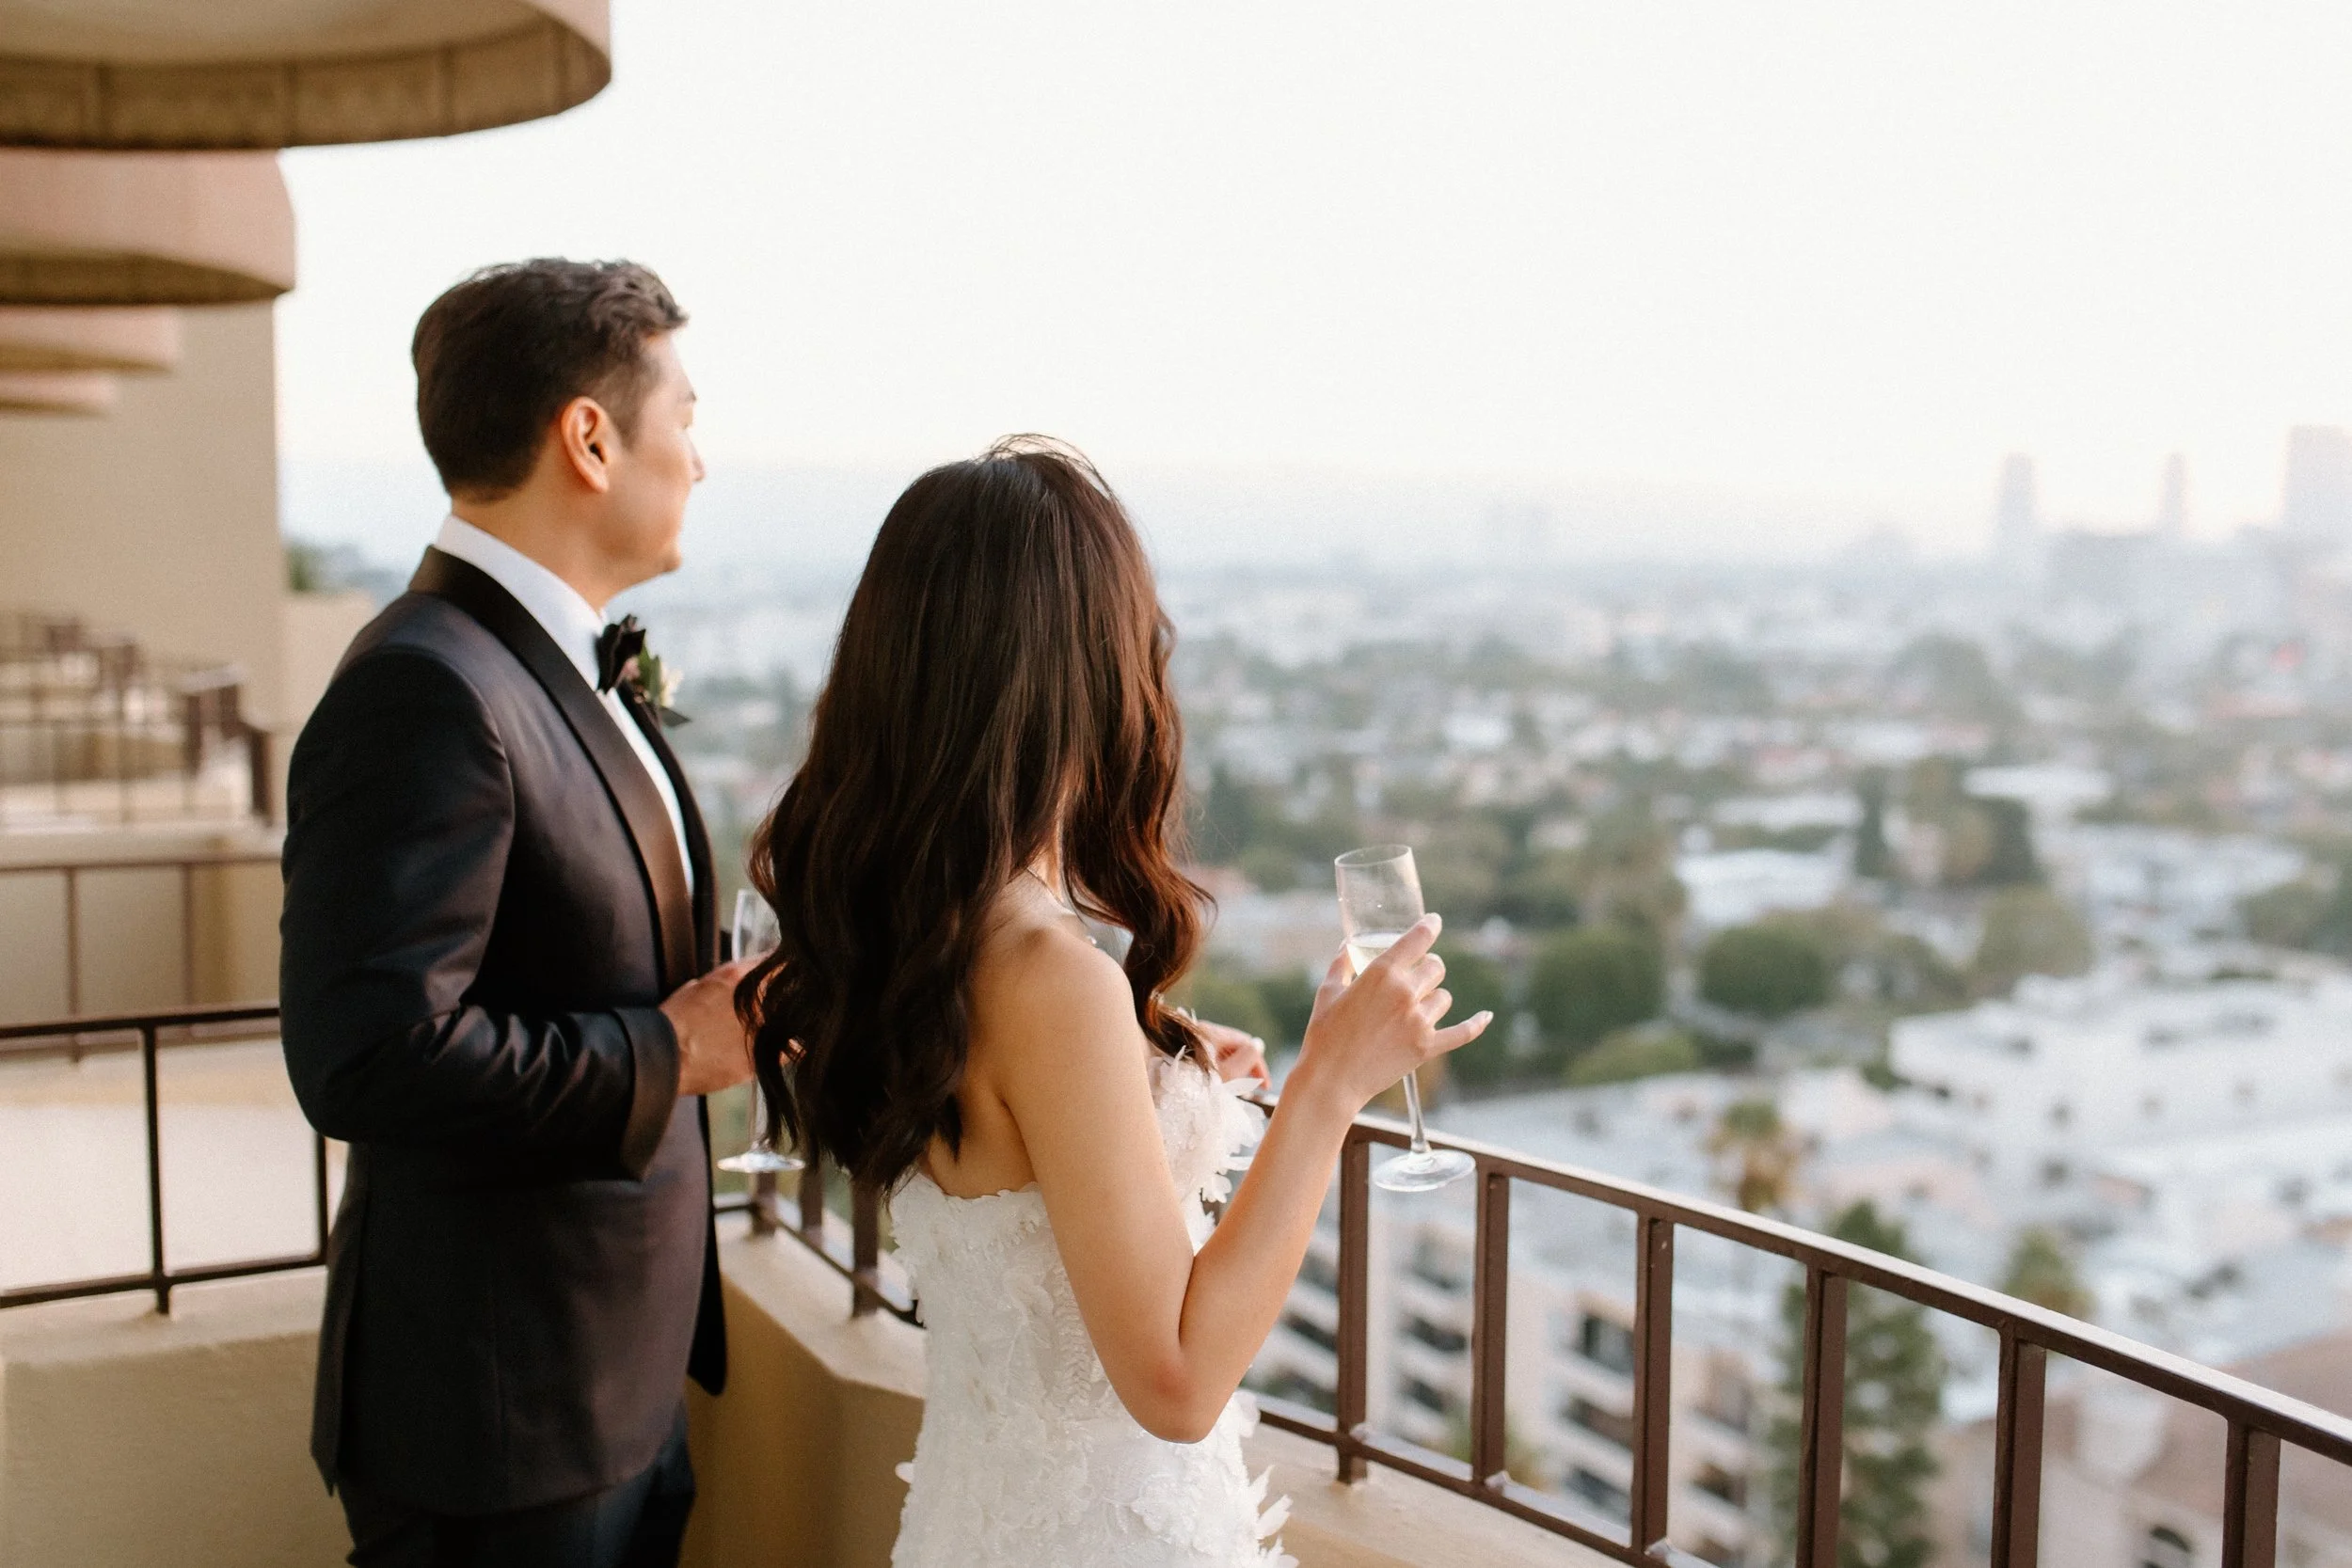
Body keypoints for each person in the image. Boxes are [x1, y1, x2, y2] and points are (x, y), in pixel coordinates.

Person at [739, 437, 1491, 1567]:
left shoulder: (919, 928)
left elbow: (1018, 1158)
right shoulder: (1050, 973)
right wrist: (1329, 1082)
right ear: (1078, 670)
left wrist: (1159, 1075)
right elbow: (1179, 1384)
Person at [279, 259, 757, 1568]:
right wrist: (670, 1054)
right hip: (499, 1416)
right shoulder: (427, 686)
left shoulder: (550, 660)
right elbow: (368, 1051)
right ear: (590, 438)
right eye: (687, 418)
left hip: (616, 1378)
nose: (701, 461)